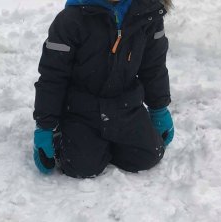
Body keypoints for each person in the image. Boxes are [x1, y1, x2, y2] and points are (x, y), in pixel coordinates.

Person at [32, 0, 174, 178]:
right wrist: (45, 126)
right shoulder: (71, 20)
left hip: (125, 105)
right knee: (82, 166)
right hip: (80, 109)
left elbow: (154, 66)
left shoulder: (147, 13)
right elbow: (53, 77)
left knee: (148, 155)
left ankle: (106, 142)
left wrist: (159, 108)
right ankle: (65, 137)